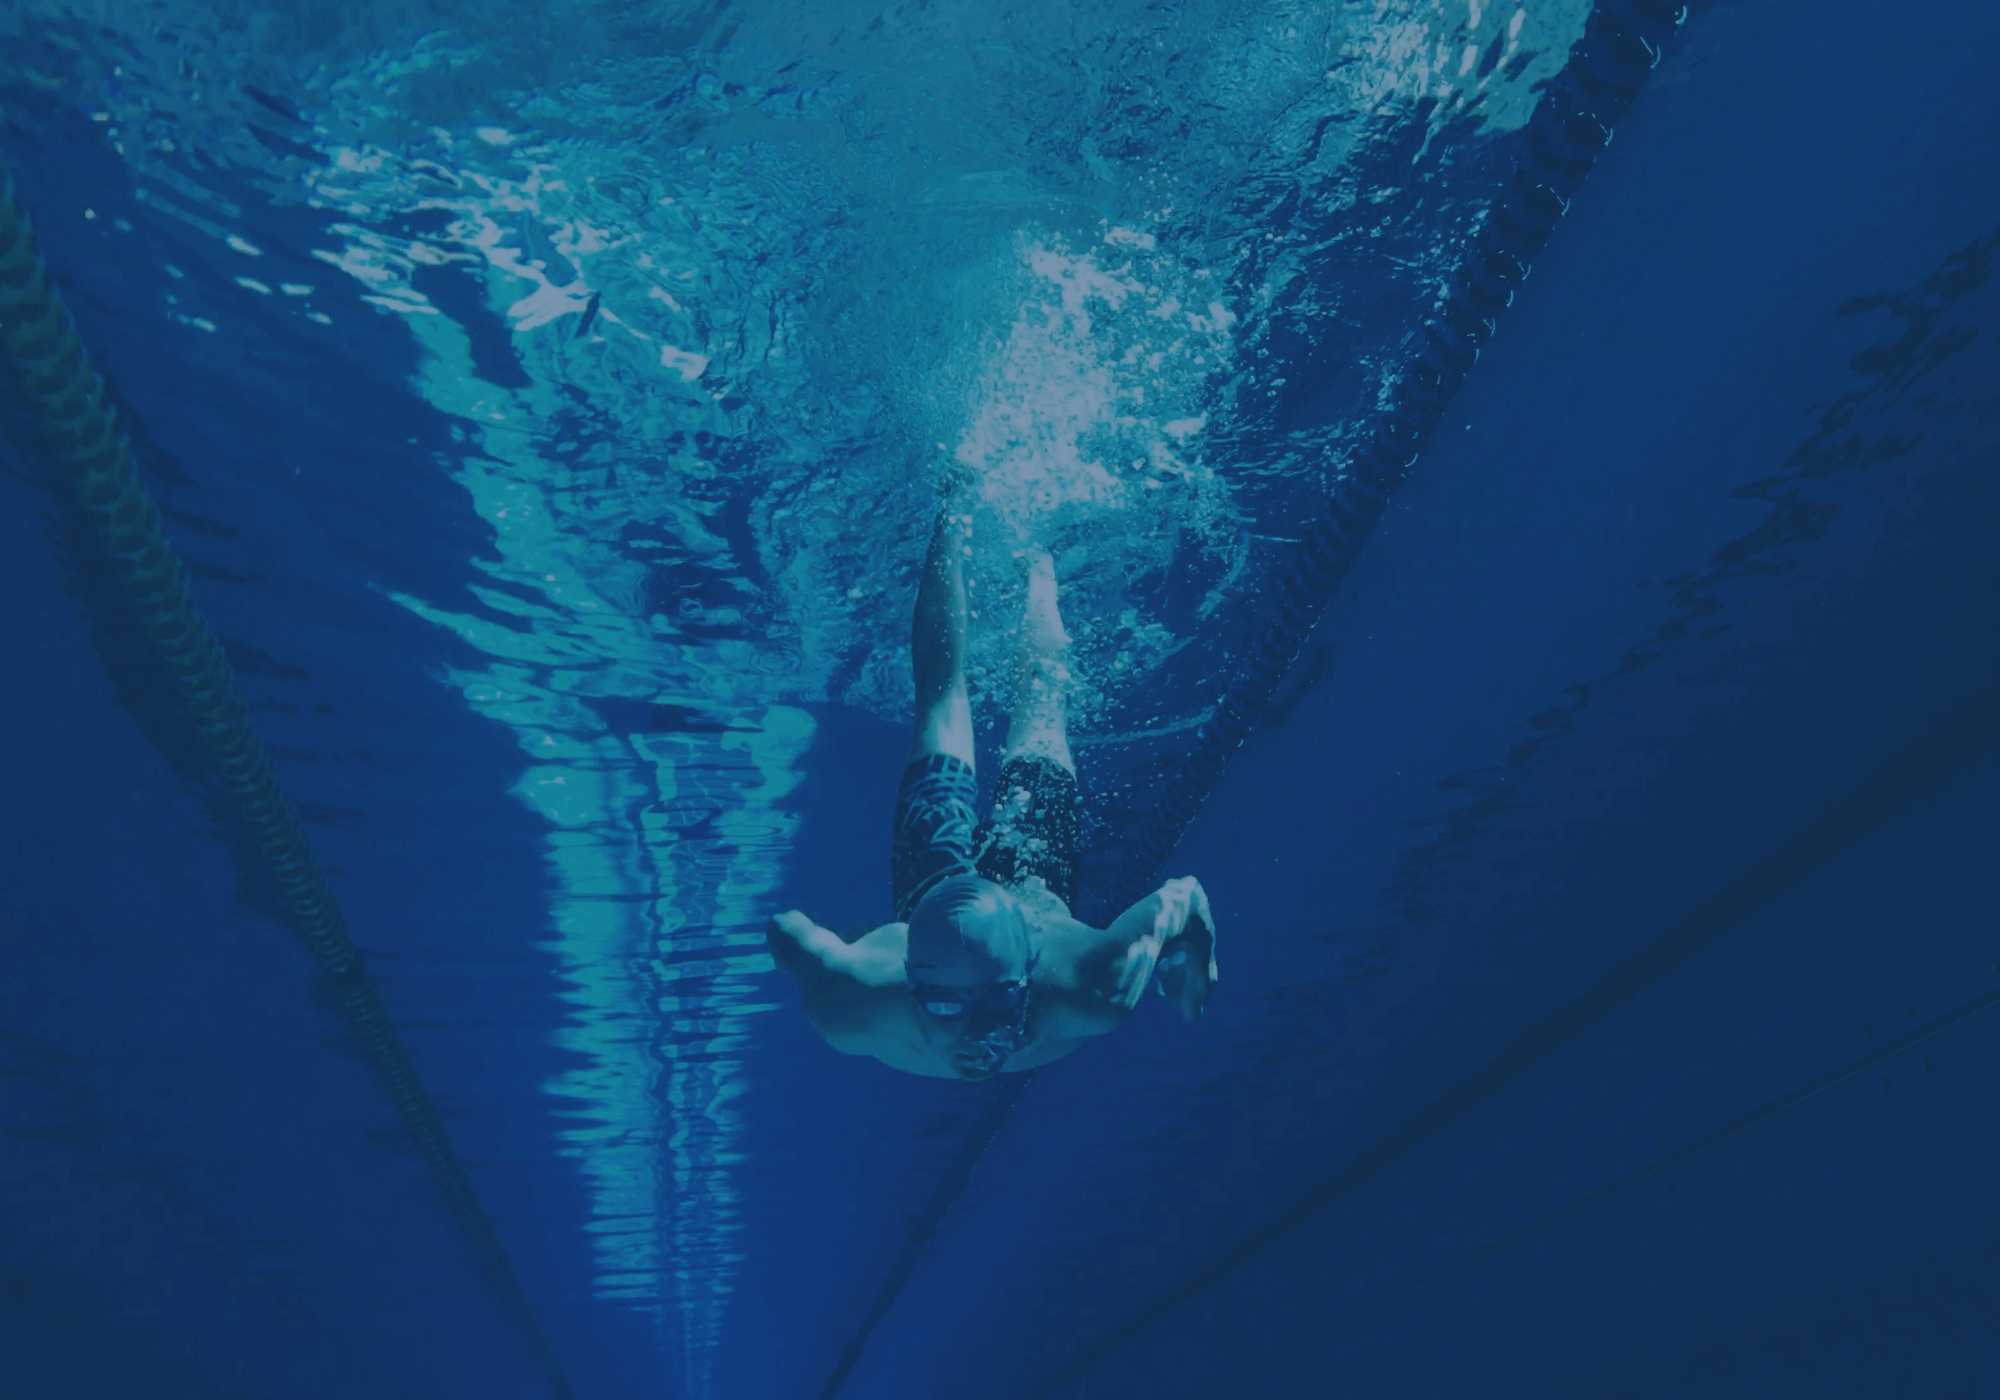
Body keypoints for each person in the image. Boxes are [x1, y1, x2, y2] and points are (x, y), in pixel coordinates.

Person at [766, 503, 1218, 1081]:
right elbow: (786, 933)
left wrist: (1199, 941)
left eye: (1002, 1000)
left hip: (982, 889)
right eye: (947, 1005)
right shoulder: (855, 1000)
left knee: (963, 700)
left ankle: (1035, 563)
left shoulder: (1090, 984)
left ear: (1030, 970)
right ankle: (958, 512)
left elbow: (1185, 898)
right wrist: (847, 948)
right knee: (1025, 709)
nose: (977, 1031)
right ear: (912, 984)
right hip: (1014, 875)